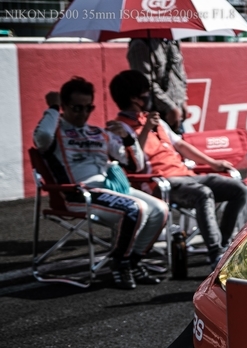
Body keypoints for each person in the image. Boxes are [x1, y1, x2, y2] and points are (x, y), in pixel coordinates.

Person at [33, 77, 168, 289]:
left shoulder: (99, 133)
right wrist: (52, 107)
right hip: (78, 193)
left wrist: (127, 138)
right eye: (77, 108)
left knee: (160, 209)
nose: (83, 113)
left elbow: (136, 164)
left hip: (111, 190)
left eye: (89, 108)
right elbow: (41, 135)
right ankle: (120, 264)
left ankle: (132, 262)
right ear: (64, 106)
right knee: (135, 208)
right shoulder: (54, 133)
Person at [110, 70, 247, 266]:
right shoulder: (120, 128)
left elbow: (181, 145)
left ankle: (225, 245)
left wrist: (212, 163)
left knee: (240, 189)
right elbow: (134, 162)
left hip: (186, 175)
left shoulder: (155, 120)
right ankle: (215, 253)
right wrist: (146, 129)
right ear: (134, 98)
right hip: (159, 183)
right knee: (203, 193)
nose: (150, 96)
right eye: (146, 92)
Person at [127, 38, 188, 134]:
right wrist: (170, 107)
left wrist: (183, 99)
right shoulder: (140, 44)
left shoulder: (172, 40)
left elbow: (180, 73)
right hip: (157, 113)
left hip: (177, 108)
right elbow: (145, 83)